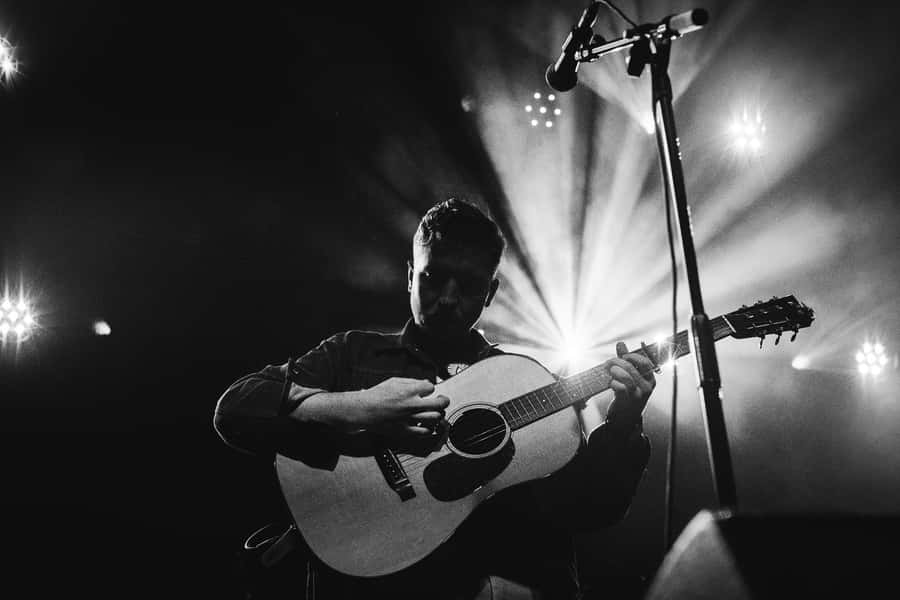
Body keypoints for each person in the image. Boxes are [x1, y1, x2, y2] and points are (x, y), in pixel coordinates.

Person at [214, 199, 656, 600]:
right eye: (433, 277)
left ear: (490, 292)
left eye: (467, 284)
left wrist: (623, 424)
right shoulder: (351, 354)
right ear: (411, 273)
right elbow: (237, 408)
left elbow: (593, 509)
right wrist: (359, 407)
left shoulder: (523, 381)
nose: (447, 298)